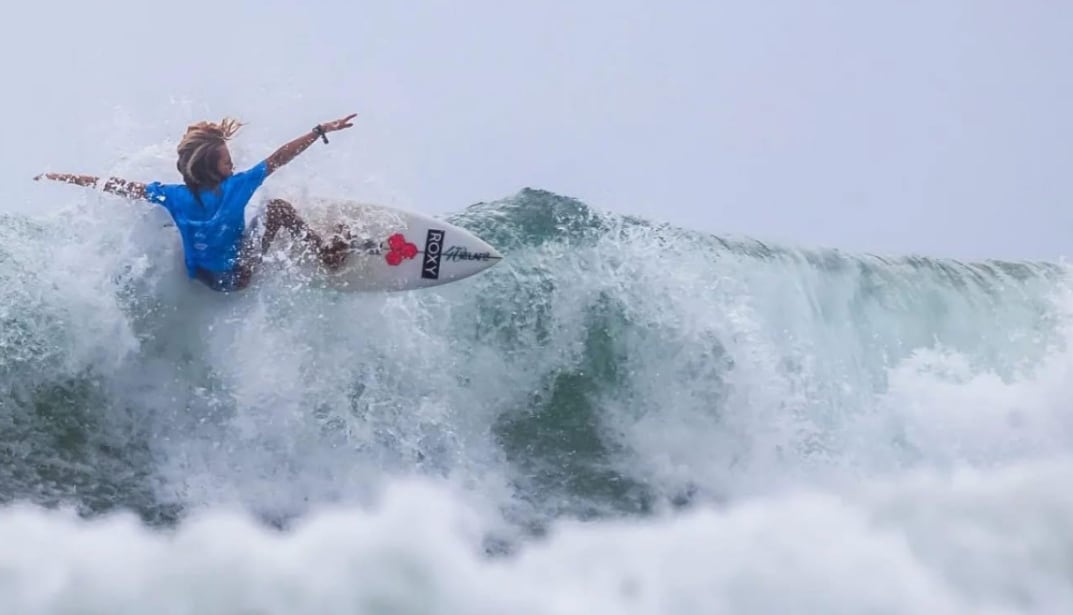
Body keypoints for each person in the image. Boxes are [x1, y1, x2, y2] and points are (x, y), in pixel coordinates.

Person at [34, 113, 359, 292]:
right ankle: (326, 254)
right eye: (226, 162)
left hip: (203, 278)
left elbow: (119, 187)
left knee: (176, 225)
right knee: (277, 210)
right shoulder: (237, 186)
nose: (232, 166)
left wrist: (64, 177)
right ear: (209, 167)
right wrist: (317, 131)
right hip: (236, 279)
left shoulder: (173, 195)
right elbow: (279, 158)